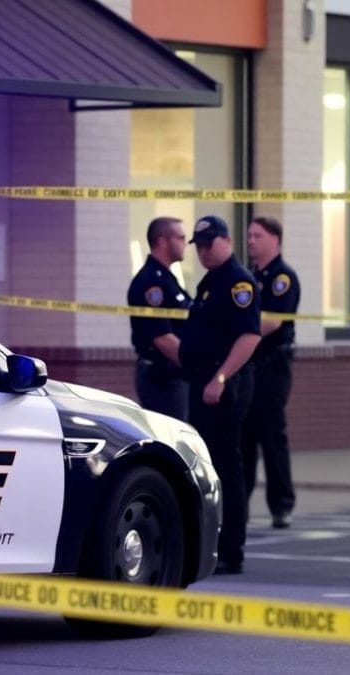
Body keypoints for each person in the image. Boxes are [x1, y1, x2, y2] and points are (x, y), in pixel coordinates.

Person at [179, 215, 261, 575]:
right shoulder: (211, 282)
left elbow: (249, 337)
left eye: (209, 244)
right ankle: (213, 545)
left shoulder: (238, 282)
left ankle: (232, 549)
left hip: (224, 387)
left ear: (226, 240)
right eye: (199, 246)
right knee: (209, 464)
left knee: (228, 466)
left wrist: (221, 377)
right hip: (204, 383)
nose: (204, 251)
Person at [241, 216, 301, 529]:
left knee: (271, 436)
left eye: (257, 235)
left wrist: (239, 334)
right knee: (245, 438)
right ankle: (240, 506)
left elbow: (273, 322)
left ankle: (281, 505)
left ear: (274, 240)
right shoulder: (249, 277)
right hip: (249, 365)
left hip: (272, 366)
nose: (251, 240)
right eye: (249, 235)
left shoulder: (282, 278)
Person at [127, 216, 192, 420]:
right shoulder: (151, 284)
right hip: (162, 378)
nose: (185, 243)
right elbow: (163, 338)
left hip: (173, 375)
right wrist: (196, 364)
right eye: (180, 238)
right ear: (163, 241)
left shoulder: (167, 279)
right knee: (174, 441)